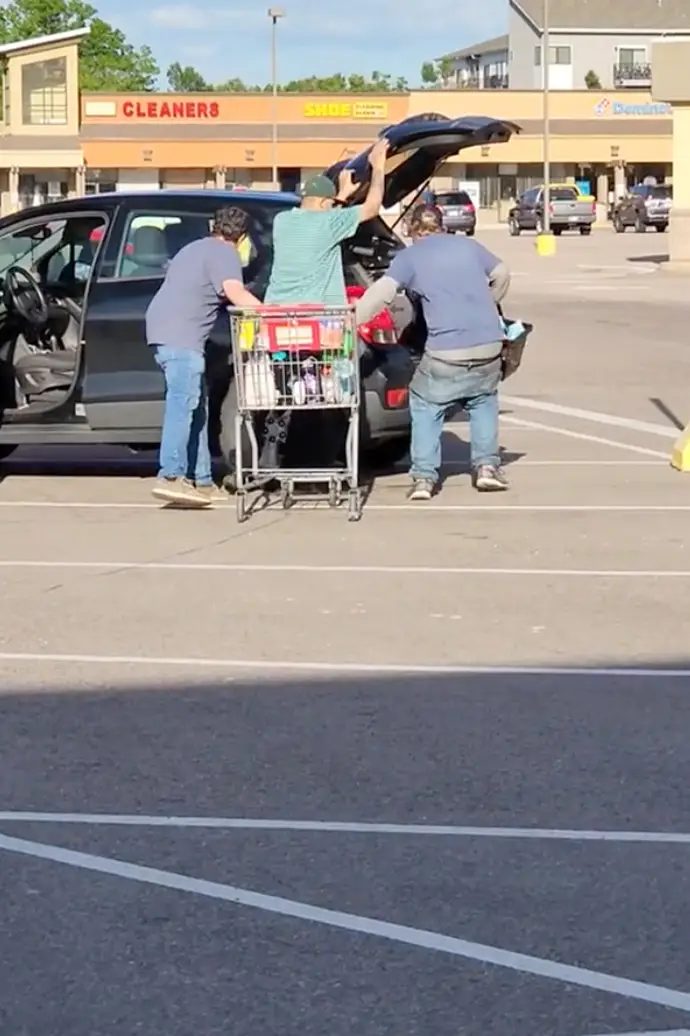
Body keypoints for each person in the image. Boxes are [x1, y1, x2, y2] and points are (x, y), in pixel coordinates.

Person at [355, 203, 511, 500]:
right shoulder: (469, 246)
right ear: (442, 226)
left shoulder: (410, 256)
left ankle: (424, 478)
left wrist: (352, 321)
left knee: (425, 402)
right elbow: (502, 273)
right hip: (490, 342)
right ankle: (487, 468)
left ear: (413, 230)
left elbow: (381, 294)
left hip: (446, 350)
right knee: (482, 400)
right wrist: (489, 303)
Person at [259, 137, 390, 468]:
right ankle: (334, 455)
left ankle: (271, 454)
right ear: (324, 202)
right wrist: (378, 169)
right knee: (339, 390)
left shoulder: (283, 221)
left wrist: (340, 196)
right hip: (323, 326)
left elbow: (320, 213)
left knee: (285, 392)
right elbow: (372, 208)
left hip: (281, 327)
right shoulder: (330, 223)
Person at [146, 205, 260, 507]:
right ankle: (170, 476)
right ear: (242, 236)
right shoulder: (225, 254)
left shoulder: (193, 248)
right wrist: (271, 314)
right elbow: (234, 292)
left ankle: (203, 480)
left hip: (163, 330)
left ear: (214, 225)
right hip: (182, 336)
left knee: (197, 406)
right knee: (183, 403)